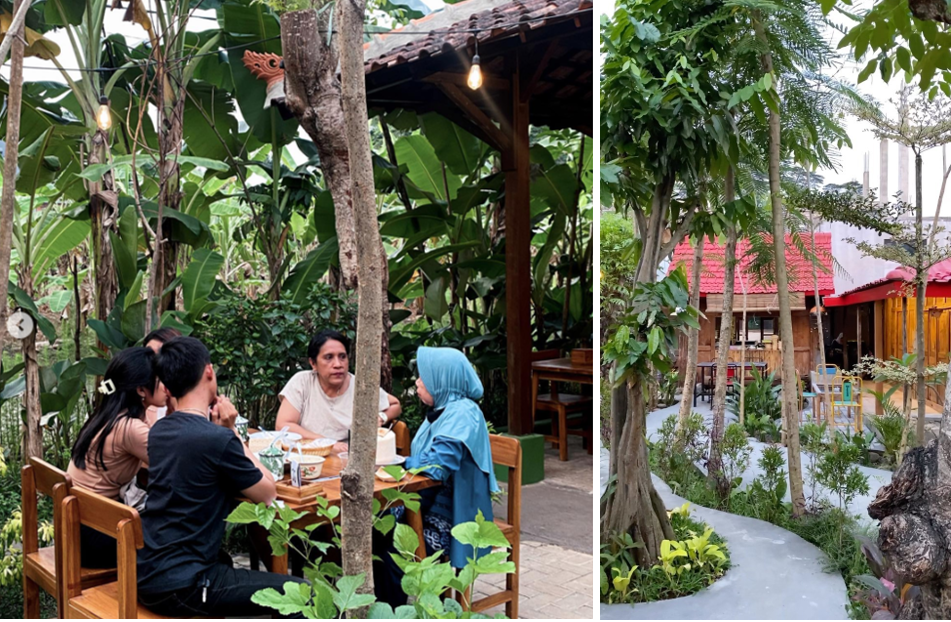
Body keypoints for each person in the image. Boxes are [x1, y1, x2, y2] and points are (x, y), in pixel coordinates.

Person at [137, 336, 307, 617]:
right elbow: (268, 491)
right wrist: (232, 432)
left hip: (149, 575)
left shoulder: (160, 431)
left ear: (166, 387)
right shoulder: (217, 438)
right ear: (209, 372)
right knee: (304, 595)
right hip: (186, 586)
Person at [374, 346, 498, 607]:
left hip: (452, 515)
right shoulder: (444, 409)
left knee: (394, 556)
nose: (418, 382)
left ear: (444, 379)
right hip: (425, 504)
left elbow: (438, 466)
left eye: (424, 377)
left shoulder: (463, 413)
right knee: (373, 536)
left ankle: (392, 611)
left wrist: (400, 462)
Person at [67, 347, 167, 568]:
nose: (167, 384)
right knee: (174, 541)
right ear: (141, 389)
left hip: (77, 528)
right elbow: (177, 463)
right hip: (96, 538)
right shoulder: (130, 429)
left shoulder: (107, 415)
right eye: (161, 379)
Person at [276, 329, 401, 452]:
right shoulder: (302, 382)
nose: (338, 364)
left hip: (347, 458)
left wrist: (381, 417)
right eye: (328, 357)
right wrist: (328, 444)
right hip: (307, 456)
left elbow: (395, 405)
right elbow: (283, 425)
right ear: (313, 363)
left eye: (342, 357)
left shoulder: (360, 386)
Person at [143, 327, 182, 425]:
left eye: (161, 353)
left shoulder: (195, 396)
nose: (154, 359)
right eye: (149, 354)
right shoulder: (145, 397)